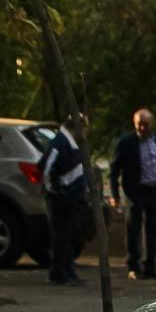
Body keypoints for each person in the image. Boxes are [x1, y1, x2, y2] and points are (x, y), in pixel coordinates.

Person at [109, 107, 156, 279]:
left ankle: (150, 266)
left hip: (153, 191)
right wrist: (115, 194)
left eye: (146, 124)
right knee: (133, 229)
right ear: (134, 124)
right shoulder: (126, 142)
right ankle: (133, 267)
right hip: (134, 192)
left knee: (152, 229)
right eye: (139, 124)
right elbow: (114, 170)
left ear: (152, 124)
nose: (143, 128)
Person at [39, 113, 91, 286]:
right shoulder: (61, 142)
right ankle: (59, 273)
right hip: (60, 199)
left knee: (68, 236)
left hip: (70, 198)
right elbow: (46, 169)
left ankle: (68, 271)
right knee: (60, 237)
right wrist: (55, 192)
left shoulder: (70, 143)